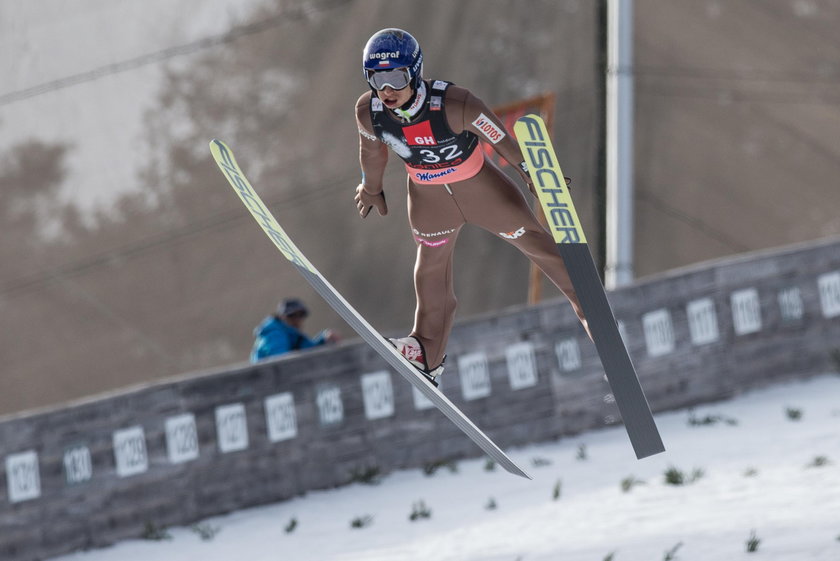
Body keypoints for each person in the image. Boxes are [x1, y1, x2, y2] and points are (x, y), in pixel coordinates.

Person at [353, 28, 591, 386]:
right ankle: (426, 350)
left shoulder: (454, 103)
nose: (386, 89)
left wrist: (530, 172)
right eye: (377, 78)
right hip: (429, 201)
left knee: (537, 246)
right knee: (429, 269)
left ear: (414, 72)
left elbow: (499, 138)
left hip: (481, 192)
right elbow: (372, 153)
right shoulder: (369, 112)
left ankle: (589, 308)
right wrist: (371, 188)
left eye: (396, 77)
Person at [250, 298, 338, 362]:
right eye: (291, 315)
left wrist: (324, 340)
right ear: (282, 317)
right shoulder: (275, 334)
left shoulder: (294, 336)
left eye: (301, 315)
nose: (297, 320)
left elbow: (308, 350)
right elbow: (280, 361)